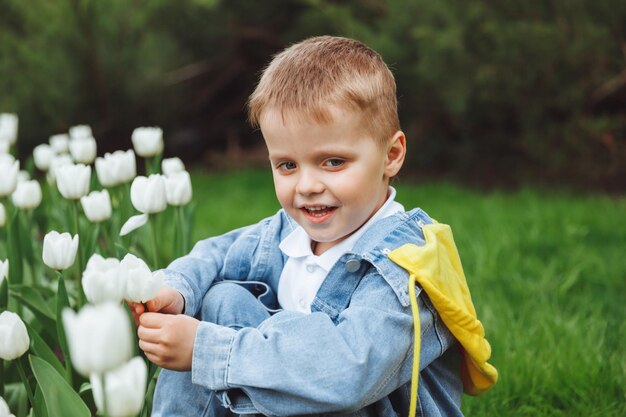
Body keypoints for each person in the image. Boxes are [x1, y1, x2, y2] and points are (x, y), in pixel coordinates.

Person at [132, 35, 497, 417]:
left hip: (358, 402)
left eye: (333, 162)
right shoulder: (291, 232)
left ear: (391, 156)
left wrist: (207, 351)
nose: (307, 186)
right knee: (218, 300)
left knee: (214, 337)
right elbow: (218, 251)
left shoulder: (404, 268)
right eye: (287, 165)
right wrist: (176, 290)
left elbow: (346, 375)